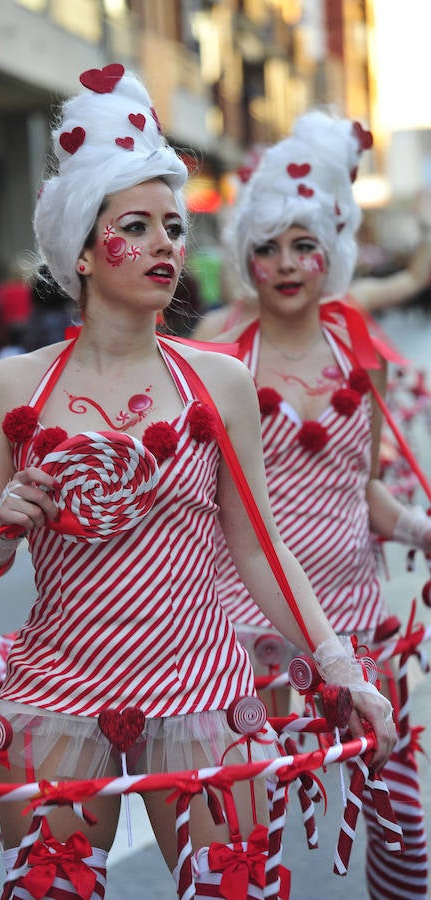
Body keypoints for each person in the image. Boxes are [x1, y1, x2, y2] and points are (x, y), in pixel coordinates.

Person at [0, 67, 395, 900]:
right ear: (82, 251)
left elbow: (258, 550)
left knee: (233, 888)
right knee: (50, 889)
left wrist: (338, 664)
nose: (165, 244)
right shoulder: (10, 387)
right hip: (58, 683)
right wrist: (1, 524)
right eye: (135, 227)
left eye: (174, 227)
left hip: (200, 681)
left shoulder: (219, 381)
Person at [212, 109, 429, 899]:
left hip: (355, 613)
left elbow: (363, 487)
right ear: (246, 258)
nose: (285, 263)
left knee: (402, 822)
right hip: (245, 625)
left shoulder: (358, 353)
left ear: (331, 254)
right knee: (246, 832)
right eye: (266, 247)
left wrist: (421, 529)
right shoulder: (219, 352)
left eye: (303, 245)